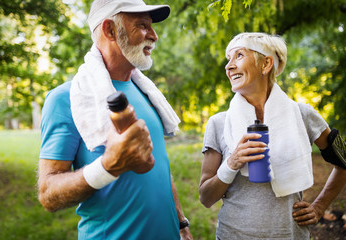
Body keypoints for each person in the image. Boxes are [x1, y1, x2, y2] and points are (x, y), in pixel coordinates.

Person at [37, 0, 193, 239]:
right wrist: (106, 167)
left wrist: (181, 224)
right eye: (142, 25)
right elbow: (48, 194)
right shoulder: (65, 99)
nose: (154, 36)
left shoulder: (147, 94)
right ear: (110, 30)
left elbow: (159, 166)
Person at [199, 32, 346, 239]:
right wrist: (231, 163)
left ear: (266, 64)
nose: (229, 66)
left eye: (239, 55)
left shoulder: (303, 115)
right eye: (228, 59)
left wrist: (319, 207)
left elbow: (344, 160)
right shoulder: (218, 123)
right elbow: (205, 198)